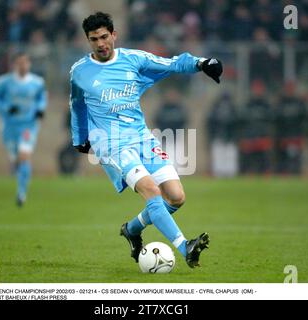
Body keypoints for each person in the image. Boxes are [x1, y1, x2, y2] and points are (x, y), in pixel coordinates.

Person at [70, 12, 222, 268]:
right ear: (88, 40)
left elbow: (170, 64)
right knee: (151, 190)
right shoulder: (80, 72)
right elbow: (77, 105)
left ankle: (131, 229)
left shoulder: (133, 59)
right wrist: (80, 137)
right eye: (94, 39)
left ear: (114, 35)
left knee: (176, 197)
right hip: (111, 145)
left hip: (141, 138)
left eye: (104, 37)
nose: (100, 43)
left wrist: (202, 63)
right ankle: (185, 246)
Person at [0, 52, 47, 207]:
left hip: (28, 125)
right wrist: (5, 108)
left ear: (29, 64)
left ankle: (21, 193)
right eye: (20, 63)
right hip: (9, 126)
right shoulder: (4, 82)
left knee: (24, 156)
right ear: (14, 65)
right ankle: (19, 177)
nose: (23, 66)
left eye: (25, 63)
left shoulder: (37, 82)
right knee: (16, 161)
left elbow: (42, 97)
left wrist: (40, 109)